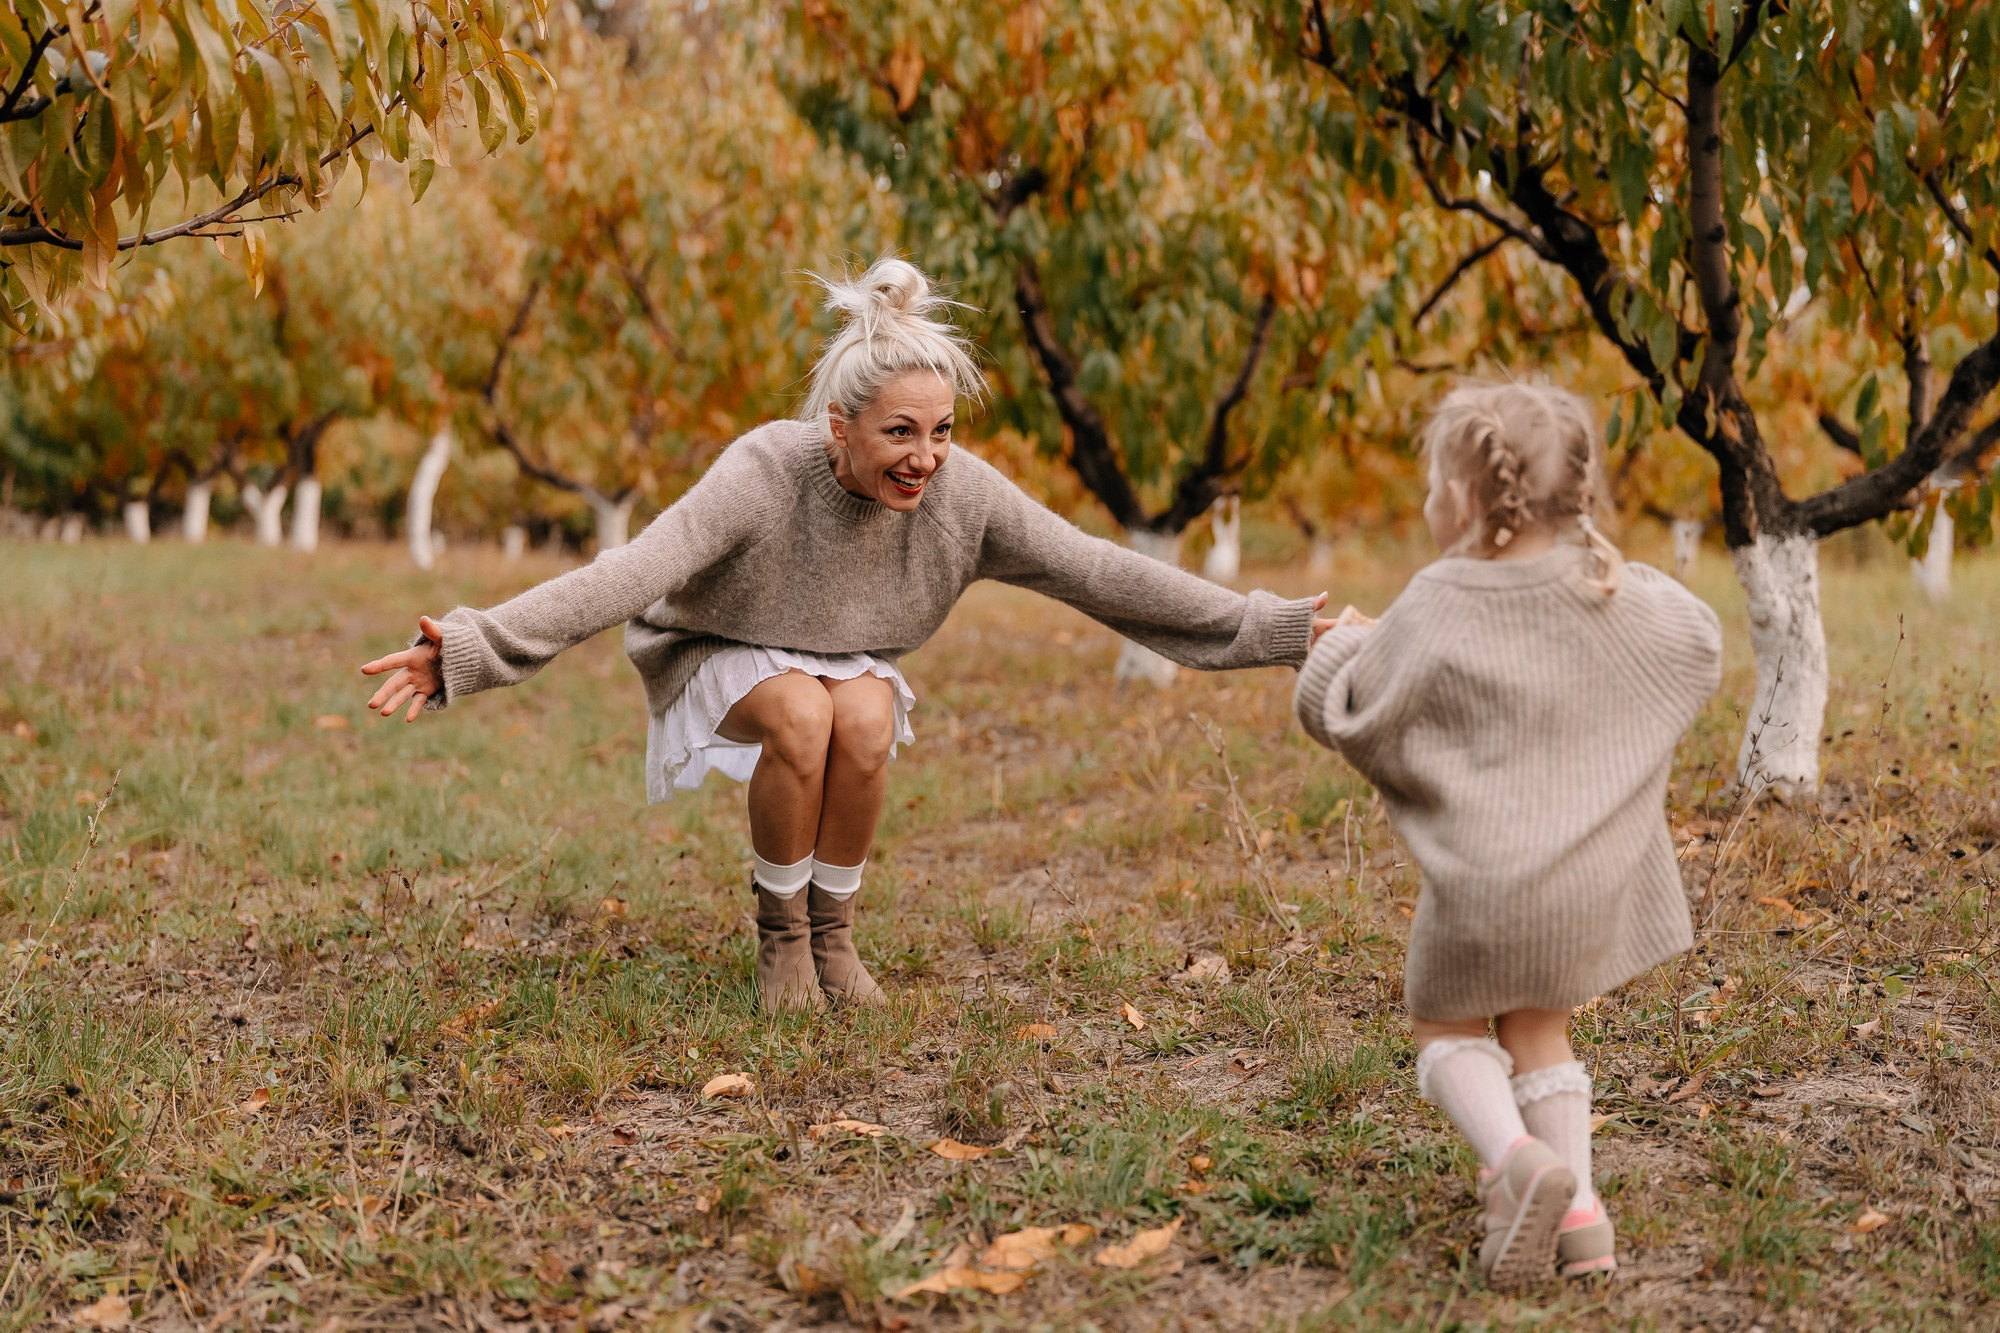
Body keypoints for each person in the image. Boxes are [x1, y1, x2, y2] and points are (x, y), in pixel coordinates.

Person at [362, 257, 1338, 1013]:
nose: (925, 458)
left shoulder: (961, 495)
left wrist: (1277, 626)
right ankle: (780, 932)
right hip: (716, 637)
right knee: (799, 716)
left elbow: (1099, 571)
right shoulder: (765, 471)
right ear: (838, 428)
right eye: (899, 434)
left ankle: (834, 930)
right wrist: (467, 649)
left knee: (862, 722)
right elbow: (630, 574)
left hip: (845, 650)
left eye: (942, 431)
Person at [1292, 381, 1721, 1288]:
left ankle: (1515, 1162)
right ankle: (1583, 1226)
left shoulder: (1439, 599)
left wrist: (1340, 649)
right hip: (1585, 892)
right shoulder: (1619, 592)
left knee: (1442, 1022)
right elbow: (1698, 643)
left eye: (1433, 485)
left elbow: (1354, 711)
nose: (1424, 502)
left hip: (1484, 891)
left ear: (1472, 499)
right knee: (1541, 1031)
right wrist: (1618, 575)